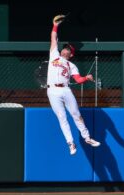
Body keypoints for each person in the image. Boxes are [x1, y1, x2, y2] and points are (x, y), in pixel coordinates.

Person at [47, 15, 100, 155]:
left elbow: (77, 80)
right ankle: (70, 143)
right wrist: (55, 25)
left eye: (68, 50)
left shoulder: (72, 65)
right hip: (52, 90)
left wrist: (86, 78)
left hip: (65, 89)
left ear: (71, 54)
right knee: (62, 117)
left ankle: (87, 137)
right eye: (65, 48)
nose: (65, 50)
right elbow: (53, 38)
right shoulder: (54, 55)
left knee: (76, 114)